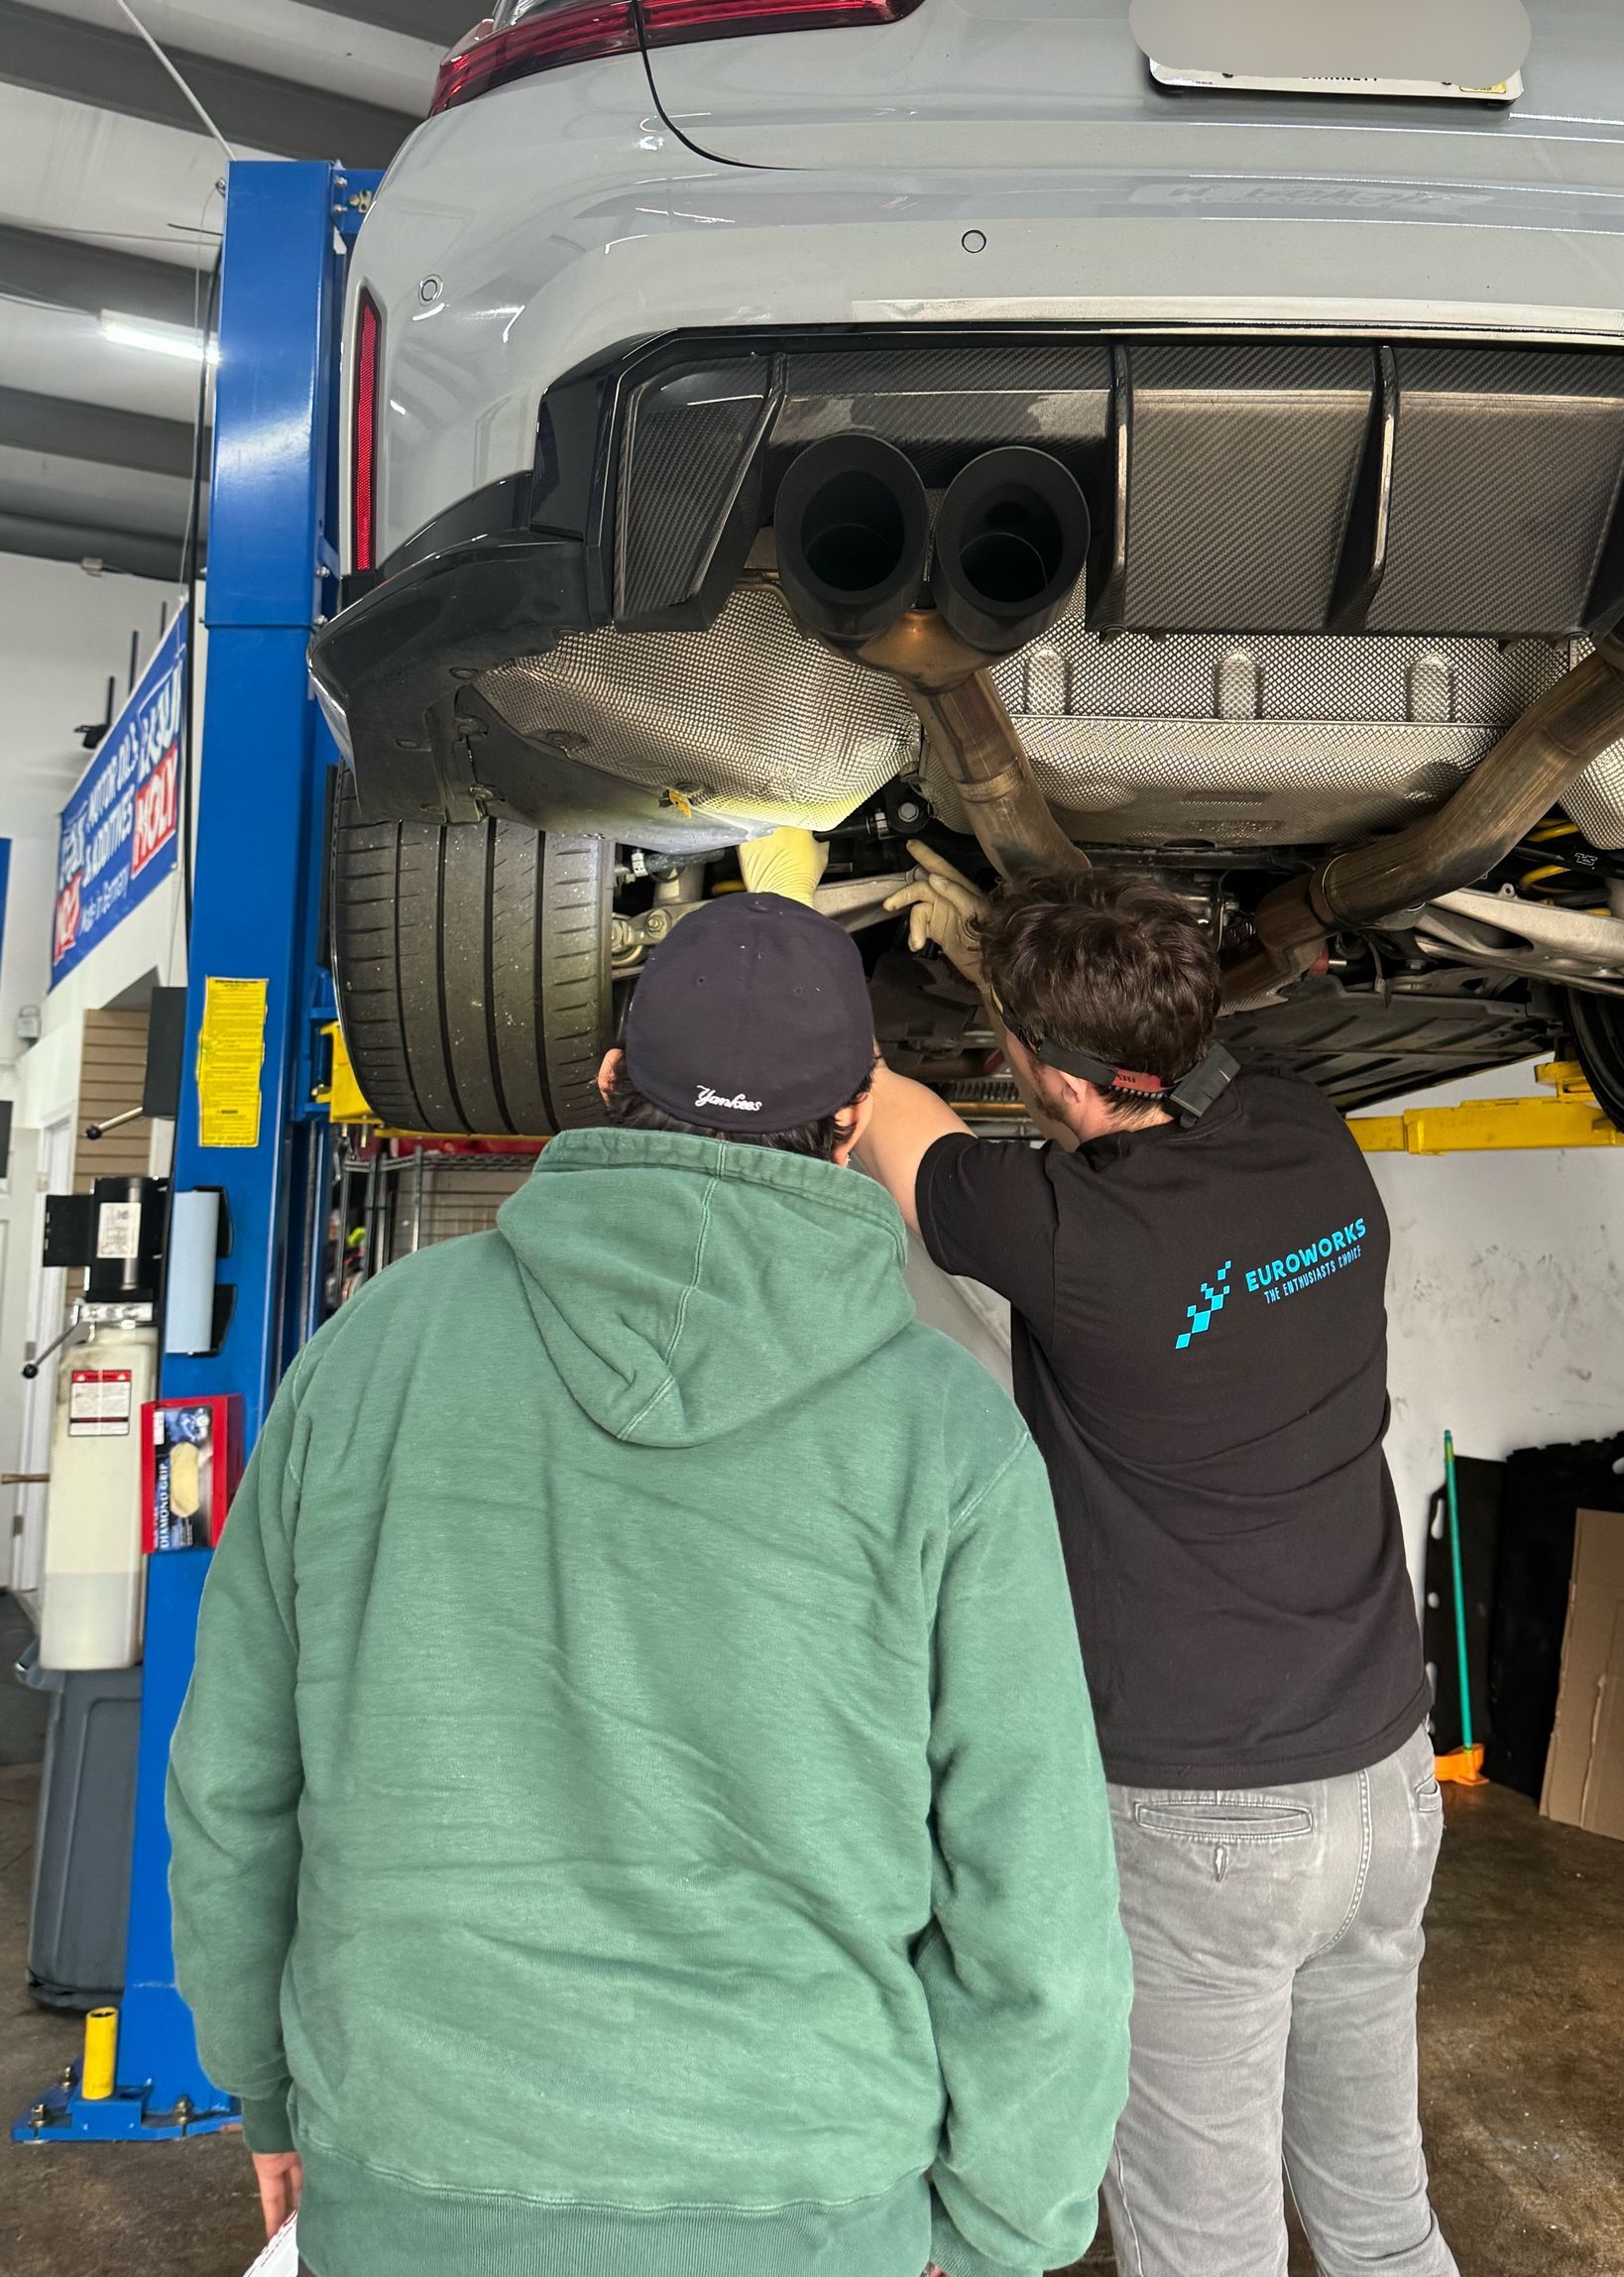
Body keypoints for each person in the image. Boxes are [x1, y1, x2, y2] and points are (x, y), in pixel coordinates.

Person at [169, 892, 1131, 2277]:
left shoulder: (370, 1353)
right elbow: (1039, 1910)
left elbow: (232, 1788)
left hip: (415, 2181)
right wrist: (1001, 2232)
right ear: (856, 1119)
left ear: (613, 1080)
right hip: (805, 2208)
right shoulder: (950, 1433)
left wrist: (267, 2088)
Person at [861, 860, 1457, 2277]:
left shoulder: (1074, 1245)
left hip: (1207, 1826)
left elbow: (892, 1115)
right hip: (1387, 1782)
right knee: (1382, 2215)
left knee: (1210, 2249)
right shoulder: (1317, 1145)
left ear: (1058, 1084)